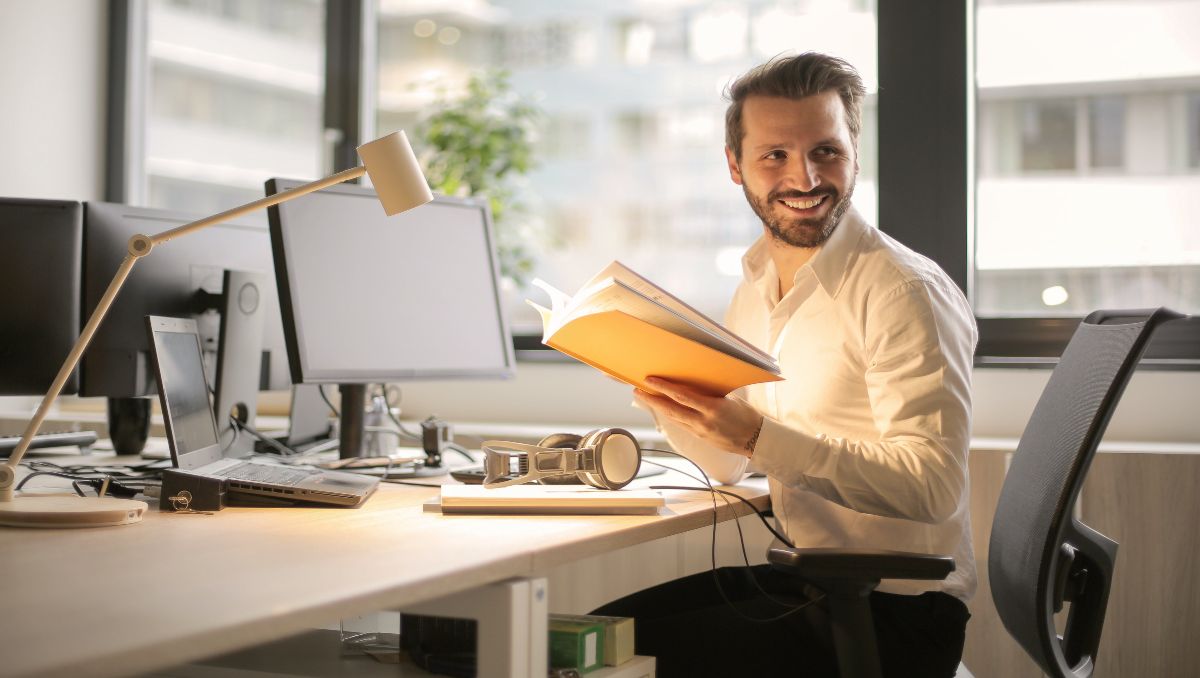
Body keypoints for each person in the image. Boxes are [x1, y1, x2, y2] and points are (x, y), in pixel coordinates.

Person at [592, 52, 978, 677]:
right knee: (584, 636)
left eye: (825, 150)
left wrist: (755, 433)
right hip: (810, 582)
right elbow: (728, 464)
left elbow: (932, 488)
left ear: (854, 150)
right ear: (734, 165)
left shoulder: (904, 291)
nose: (804, 177)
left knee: (595, 663)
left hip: (897, 616)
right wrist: (668, 395)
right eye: (775, 155)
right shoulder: (756, 282)